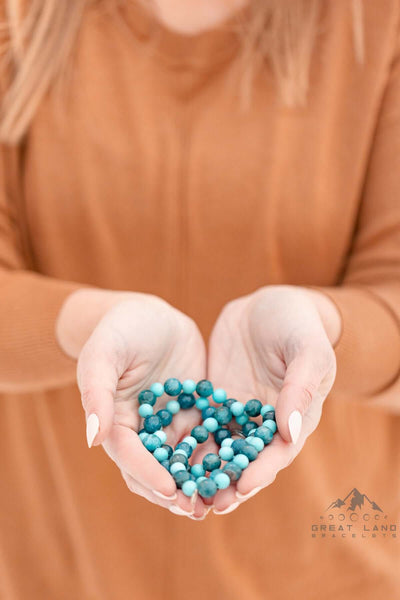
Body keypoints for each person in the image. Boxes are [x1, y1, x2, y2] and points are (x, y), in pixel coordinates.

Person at [0, 0, 399, 598]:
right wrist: (92, 326)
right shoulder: (18, 18)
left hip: (329, 571)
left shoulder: (377, 23)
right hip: (61, 572)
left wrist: (323, 325)